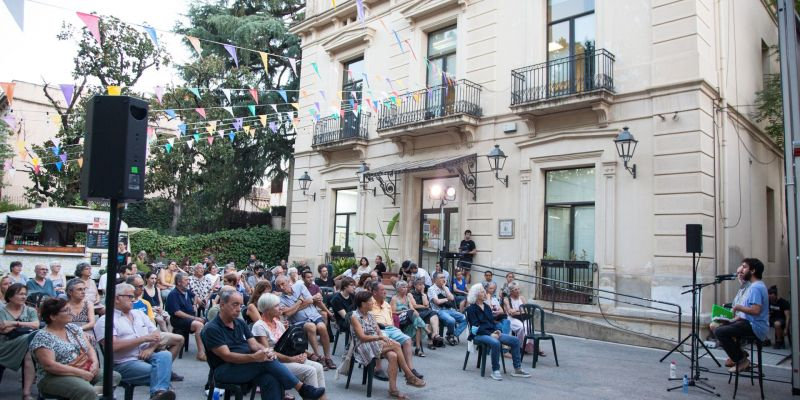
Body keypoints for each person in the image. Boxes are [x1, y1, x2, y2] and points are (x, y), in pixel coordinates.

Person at [201, 288, 325, 400]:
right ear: (222, 305)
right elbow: (227, 356)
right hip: (224, 370)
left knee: (271, 378)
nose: (239, 309)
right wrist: (254, 357)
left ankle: (303, 389)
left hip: (246, 366)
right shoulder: (212, 328)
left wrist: (266, 351)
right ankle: (302, 388)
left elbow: (254, 345)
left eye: (240, 305)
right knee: (264, 361)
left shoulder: (239, 323)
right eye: (235, 304)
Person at [94, 283, 176, 400]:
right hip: (124, 363)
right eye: (130, 297)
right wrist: (143, 339)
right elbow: (113, 346)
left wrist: (150, 348)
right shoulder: (105, 321)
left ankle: (159, 393)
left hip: (146, 356)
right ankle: (160, 392)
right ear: (117, 298)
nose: (134, 300)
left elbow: (156, 334)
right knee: (162, 374)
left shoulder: (138, 314)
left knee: (165, 355)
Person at [30, 298, 121, 400]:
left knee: (112, 376)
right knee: (86, 390)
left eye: (70, 309)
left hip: (81, 367)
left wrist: (95, 362)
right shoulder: (43, 337)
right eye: (66, 311)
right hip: (54, 376)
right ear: (53, 316)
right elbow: (50, 366)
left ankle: (92, 396)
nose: (71, 313)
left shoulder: (72, 328)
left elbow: (89, 348)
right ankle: (90, 395)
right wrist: (80, 373)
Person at [350, 290, 425, 399]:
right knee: (396, 345)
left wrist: (382, 337)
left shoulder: (370, 314)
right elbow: (362, 337)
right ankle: (409, 375)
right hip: (362, 346)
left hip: (375, 342)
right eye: (370, 301)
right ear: (363, 304)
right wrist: (380, 337)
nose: (373, 303)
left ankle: (393, 389)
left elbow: (378, 330)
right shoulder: (354, 316)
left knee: (393, 355)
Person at [252, 293, 327, 399]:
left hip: (288, 357)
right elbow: (268, 353)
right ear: (267, 309)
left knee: (318, 367)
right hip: (275, 363)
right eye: (277, 305)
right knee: (310, 371)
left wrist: (304, 355)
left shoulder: (277, 322)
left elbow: (290, 344)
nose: (280, 307)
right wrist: (292, 359)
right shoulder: (259, 326)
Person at [465, 283, 531, 381]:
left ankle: (517, 369)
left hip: (491, 332)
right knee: (495, 343)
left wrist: (498, 331)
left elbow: (493, 322)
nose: (485, 293)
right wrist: (490, 334)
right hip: (478, 334)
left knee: (515, 340)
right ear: (476, 295)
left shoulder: (487, 307)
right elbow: (475, 327)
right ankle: (495, 370)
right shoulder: (471, 309)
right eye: (482, 292)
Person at [715, 258, 770, 373]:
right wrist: (731, 321)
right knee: (719, 328)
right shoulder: (755, 286)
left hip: (755, 326)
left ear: (753, 270)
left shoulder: (755, 287)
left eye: (744, 267)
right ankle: (740, 354)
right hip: (749, 322)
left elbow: (755, 311)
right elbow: (746, 314)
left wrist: (737, 307)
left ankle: (741, 360)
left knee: (720, 332)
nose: (742, 270)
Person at [127, 276, 185, 379]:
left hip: (150, 335)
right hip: (136, 338)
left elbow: (152, 323)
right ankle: (162, 371)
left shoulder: (145, 303)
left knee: (178, 339)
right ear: (130, 288)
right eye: (140, 286)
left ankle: (165, 369)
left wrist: (153, 344)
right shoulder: (126, 305)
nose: (142, 288)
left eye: (142, 286)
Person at [276, 276, 336, 370]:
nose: (281, 287)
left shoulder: (300, 286)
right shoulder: (281, 299)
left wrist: (295, 307)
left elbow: (311, 300)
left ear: (288, 282)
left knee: (322, 327)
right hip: (298, 322)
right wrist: (300, 301)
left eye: (283, 284)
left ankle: (328, 358)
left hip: (313, 315)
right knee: (311, 326)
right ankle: (318, 357)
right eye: (279, 286)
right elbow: (288, 313)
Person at [370, 283, 423, 379]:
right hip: (378, 328)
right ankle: (377, 368)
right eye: (382, 290)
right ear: (374, 292)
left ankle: (411, 369)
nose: (385, 292)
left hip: (391, 328)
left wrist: (395, 328)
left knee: (407, 339)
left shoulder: (386, 304)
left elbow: (391, 318)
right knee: (391, 344)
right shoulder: (369, 303)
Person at [0, 283, 38, 399]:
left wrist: (14, 323)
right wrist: (26, 326)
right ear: (10, 296)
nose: (24, 297)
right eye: (20, 294)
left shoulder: (30, 310)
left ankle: (26, 393)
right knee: (31, 338)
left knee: (28, 352)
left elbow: (36, 325)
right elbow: (3, 330)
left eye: (25, 294)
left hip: (24, 343)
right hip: (4, 345)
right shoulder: (2, 311)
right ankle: (26, 393)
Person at [165, 272, 206, 361]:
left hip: (188, 317)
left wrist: (195, 304)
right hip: (178, 320)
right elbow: (177, 312)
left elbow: (195, 295)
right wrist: (195, 318)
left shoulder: (186, 291)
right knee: (198, 324)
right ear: (179, 282)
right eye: (186, 280)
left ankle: (208, 350)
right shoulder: (174, 294)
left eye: (188, 280)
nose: (188, 282)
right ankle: (200, 353)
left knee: (207, 322)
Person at [391, 280, 430, 357]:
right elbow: (393, 312)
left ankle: (418, 349)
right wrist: (405, 311)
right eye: (403, 287)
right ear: (398, 289)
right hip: (400, 318)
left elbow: (412, 308)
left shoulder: (408, 298)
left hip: (409, 318)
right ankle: (427, 330)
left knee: (417, 323)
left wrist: (416, 313)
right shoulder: (394, 298)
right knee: (413, 315)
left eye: (406, 287)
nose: (406, 289)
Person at [428, 274, 467, 346]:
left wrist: (444, 287)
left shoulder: (445, 288)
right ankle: (450, 335)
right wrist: (446, 299)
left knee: (466, 318)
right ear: (436, 280)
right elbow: (437, 302)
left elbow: (452, 298)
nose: (444, 279)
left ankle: (452, 335)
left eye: (444, 277)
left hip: (449, 309)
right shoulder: (431, 289)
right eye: (441, 278)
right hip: (438, 310)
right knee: (451, 320)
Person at [410, 278, 443, 349]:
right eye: (419, 285)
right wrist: (424, 306)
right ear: (415, 285)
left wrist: (422, 294)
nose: (421, 286)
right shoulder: (410, 294)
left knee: (433, 314)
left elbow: (427, 304)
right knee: (431, 313)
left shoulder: (424, 294)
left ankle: (434, 335)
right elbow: (414, 305)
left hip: (425, 312)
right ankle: (433, 338)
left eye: (422, 285)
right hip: (416, 313)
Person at [65, 278, 97, 344]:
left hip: (86, 331)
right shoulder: (64, 305)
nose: (83, 292)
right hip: (68, 332)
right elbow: (61, 324)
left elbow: (92, 323)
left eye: (84, 289)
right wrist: (76, 332)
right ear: (70, 292)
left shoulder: (88, 304)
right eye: (79, 289)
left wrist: (79, 330)